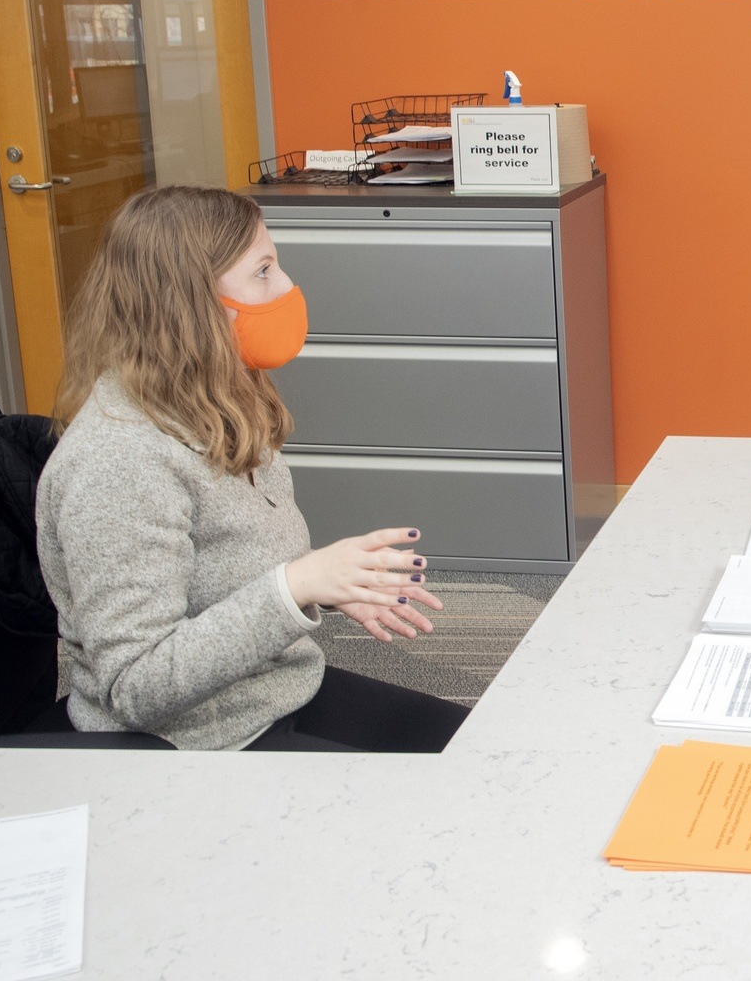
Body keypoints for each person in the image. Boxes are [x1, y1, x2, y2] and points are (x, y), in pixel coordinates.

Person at [36, 185, 469, 752]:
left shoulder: (216, 400)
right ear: (189, 303)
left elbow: (227, 568)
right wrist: (296, 586)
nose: (288, 287)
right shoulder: (119, 461)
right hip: (196, 745)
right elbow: (133, 686)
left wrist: (329, 584)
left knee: (478, 752)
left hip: (274, 693)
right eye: (263, 271)